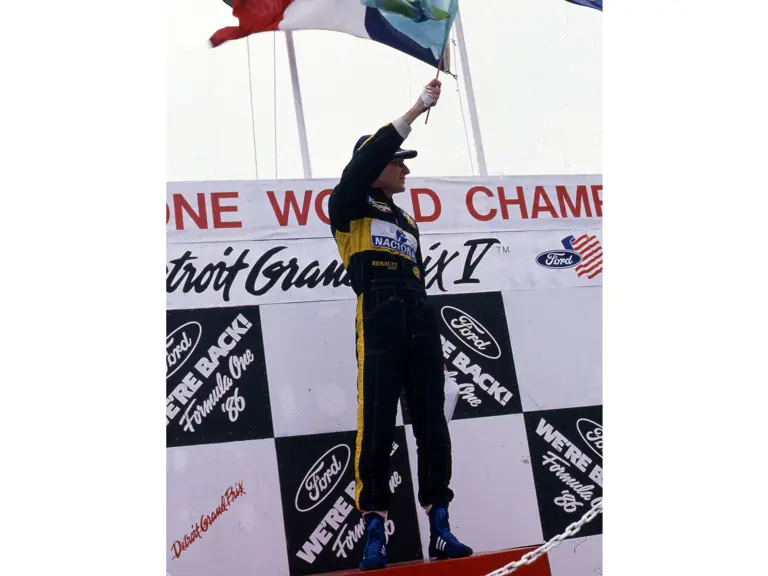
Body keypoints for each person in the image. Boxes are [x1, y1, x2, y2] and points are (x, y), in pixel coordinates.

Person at [328, 78, 473, 571]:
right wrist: (414, 109)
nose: (405, 168)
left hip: (418, 314)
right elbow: (363, 164)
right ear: (373, 167)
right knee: (377, 421)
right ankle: (373, 529)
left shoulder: (409, 222)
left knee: (432, 422)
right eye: (398, 161)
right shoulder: (347, 205)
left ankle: (442, 525)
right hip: (378, 314)